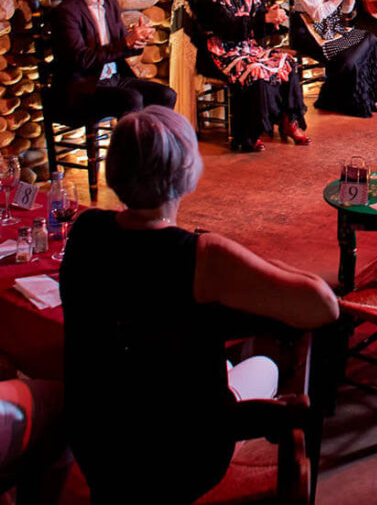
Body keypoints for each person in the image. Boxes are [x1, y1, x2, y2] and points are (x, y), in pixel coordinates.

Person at [59, 106, 340, 503]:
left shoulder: (86, 231)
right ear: (185, 172)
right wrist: (235, 256)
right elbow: (323, 306)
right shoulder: (202, 257)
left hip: (100, 451)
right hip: (179, 465)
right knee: (264, 366)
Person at [192, 0, 309, 152]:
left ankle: (289, 121)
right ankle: (250, 132)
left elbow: (259, 19)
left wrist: (272, 18)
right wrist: (262, 20)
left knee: (287, 61)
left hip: (247, 47)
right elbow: (225, 27)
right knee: (255, 70)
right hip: (221, 50)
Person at [52, 0, 177, 122]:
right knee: (131, 98)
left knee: (166, 94)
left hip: (114, 78)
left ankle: (155, 146)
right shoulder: (67, 11)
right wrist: (125, 43)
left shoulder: (110, 5)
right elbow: (80, 59)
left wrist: (136, 42)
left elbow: (120, 47)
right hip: (83, 86)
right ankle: (131, 149)